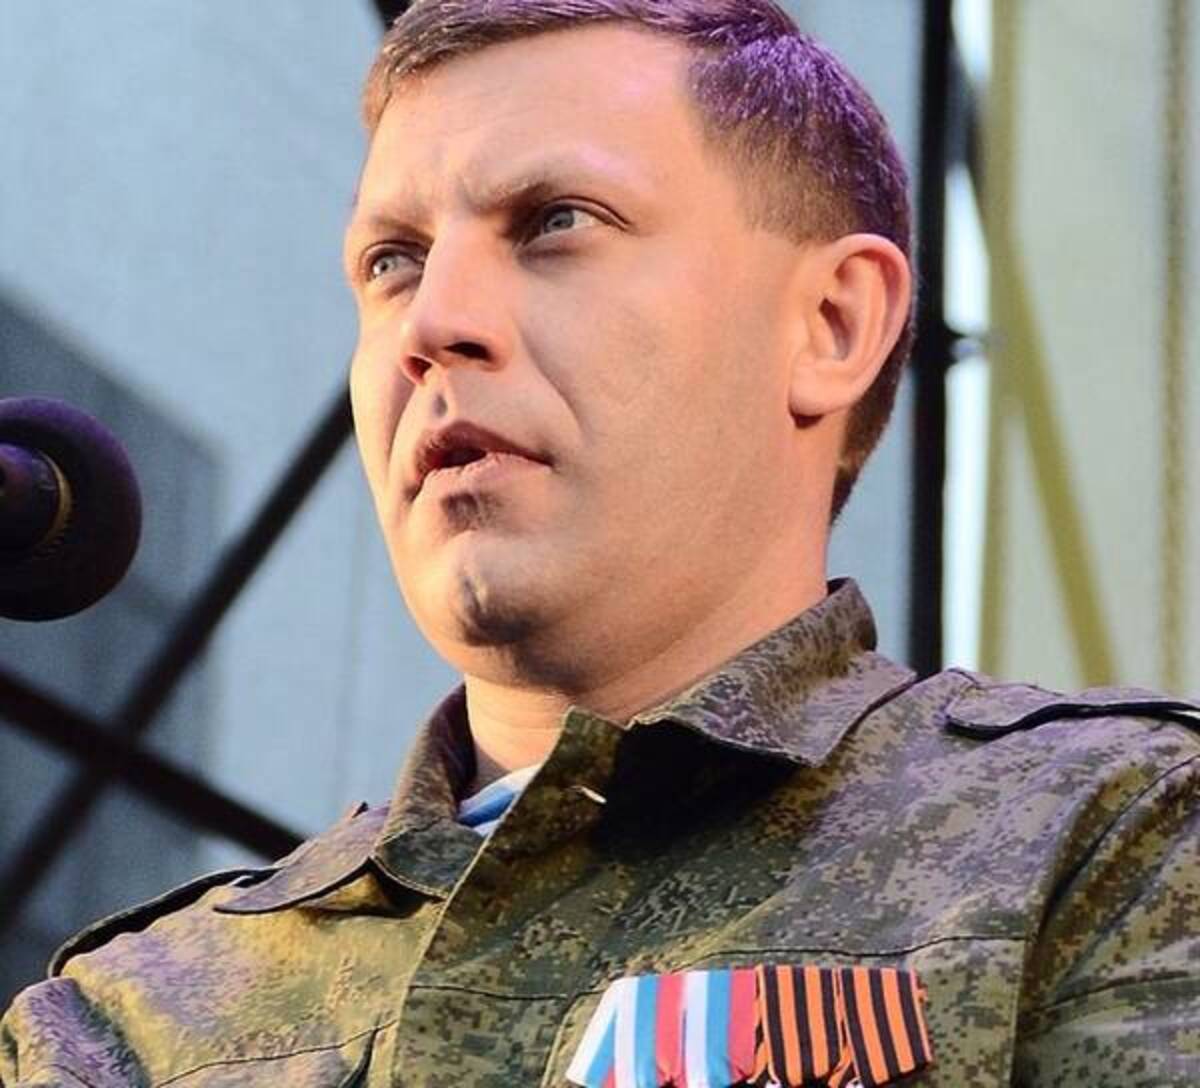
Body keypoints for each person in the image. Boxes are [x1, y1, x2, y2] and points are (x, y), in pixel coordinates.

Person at [2, 1, 1197, 1085]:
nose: (434, 321)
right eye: (393, 261)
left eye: (555, 222)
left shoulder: (1114, 838)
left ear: (832, 323)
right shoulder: (136, 1017)